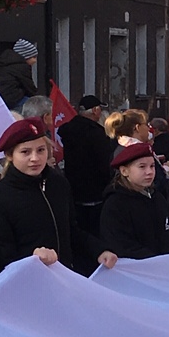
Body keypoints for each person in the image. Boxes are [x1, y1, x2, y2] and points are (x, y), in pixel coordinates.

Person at [0, 119, 108, 273]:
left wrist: (99, 250)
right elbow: (0, 256)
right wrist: (32, 257)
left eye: (41, 150)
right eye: (25, 152)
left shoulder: (58, 184)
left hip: (65, 276)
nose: (35, 158)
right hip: (28, 284)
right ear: (9, 155)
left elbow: (71, 231)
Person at [100, 142, 169, 260]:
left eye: (152, 166)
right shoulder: (115, 205)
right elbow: (121, 246)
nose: (149, 172)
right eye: (142, 167)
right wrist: (157, 261)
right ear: (124, 171)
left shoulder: (158, 198)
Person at [58, 95, 116, 236]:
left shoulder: (68, 129)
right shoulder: (97, 133)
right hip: (95, 190)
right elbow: (103, 163)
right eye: (100, 109)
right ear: (95, 110)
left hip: (73, 187)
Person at [0, 38, 39, 109]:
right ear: (26, 56)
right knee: (33, 107)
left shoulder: (3, 64)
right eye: (33, 57)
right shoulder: (22, 67)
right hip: (12, 100)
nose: (35, 61)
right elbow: (29, 87)